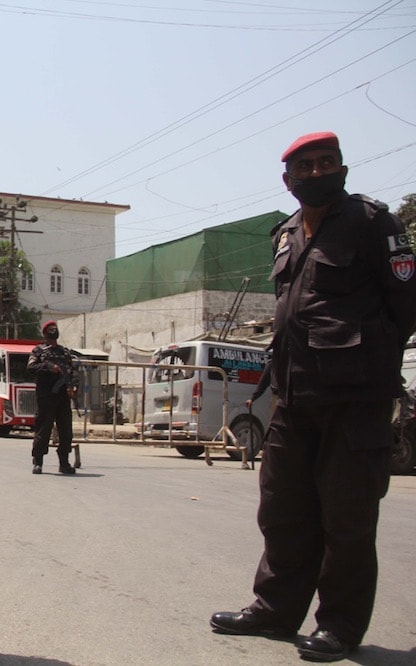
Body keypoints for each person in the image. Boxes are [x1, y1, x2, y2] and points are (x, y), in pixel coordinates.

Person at [210, 132, 416, 662]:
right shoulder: (284, 234)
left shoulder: (374, 222)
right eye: (308, 166)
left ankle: (340, 625)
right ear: (289, 180)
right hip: (294, 396)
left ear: (342, 169)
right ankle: (275, 610)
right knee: (282, 509)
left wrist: (370, 364)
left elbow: (406, 302)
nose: (319, 172)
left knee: (346, 517)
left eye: (328, 163)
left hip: (355, 398)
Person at [27, 320, 79, 475]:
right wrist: (50, 368)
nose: (54, 331)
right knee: (43, 430)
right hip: (46, 397)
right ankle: (38, 463)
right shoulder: (39, 351)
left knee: (66, 432)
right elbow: (31, 367)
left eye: (55, 328)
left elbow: (73, 371)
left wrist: (74, 385)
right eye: (50, 329)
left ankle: (64, 463)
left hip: (63, 397)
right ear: (44, 333)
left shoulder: (64, 352)